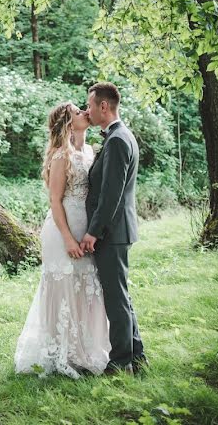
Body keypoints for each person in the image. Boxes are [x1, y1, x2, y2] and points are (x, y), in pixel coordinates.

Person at [14, 102, 110, 378]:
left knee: (87, 288)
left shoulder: (90, 150)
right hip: (62, 229)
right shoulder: (60, 156)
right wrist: (68, 238)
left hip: (87, 227)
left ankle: (84, 349)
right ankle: (61, 352)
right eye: (79, 112)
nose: (85, 113)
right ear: (69, 122)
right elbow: (55, 200)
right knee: (63, 287)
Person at [80, 81, 147, 374]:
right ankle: (137, 355)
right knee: (121, 295)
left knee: (116, 298)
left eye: (90, 105)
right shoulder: (119, 136)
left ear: (103, 106)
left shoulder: (118, 140)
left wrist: (93, 231)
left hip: (113, 232)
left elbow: (111, 195)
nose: (88, 110)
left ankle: (120, 362)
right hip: (118, 231)